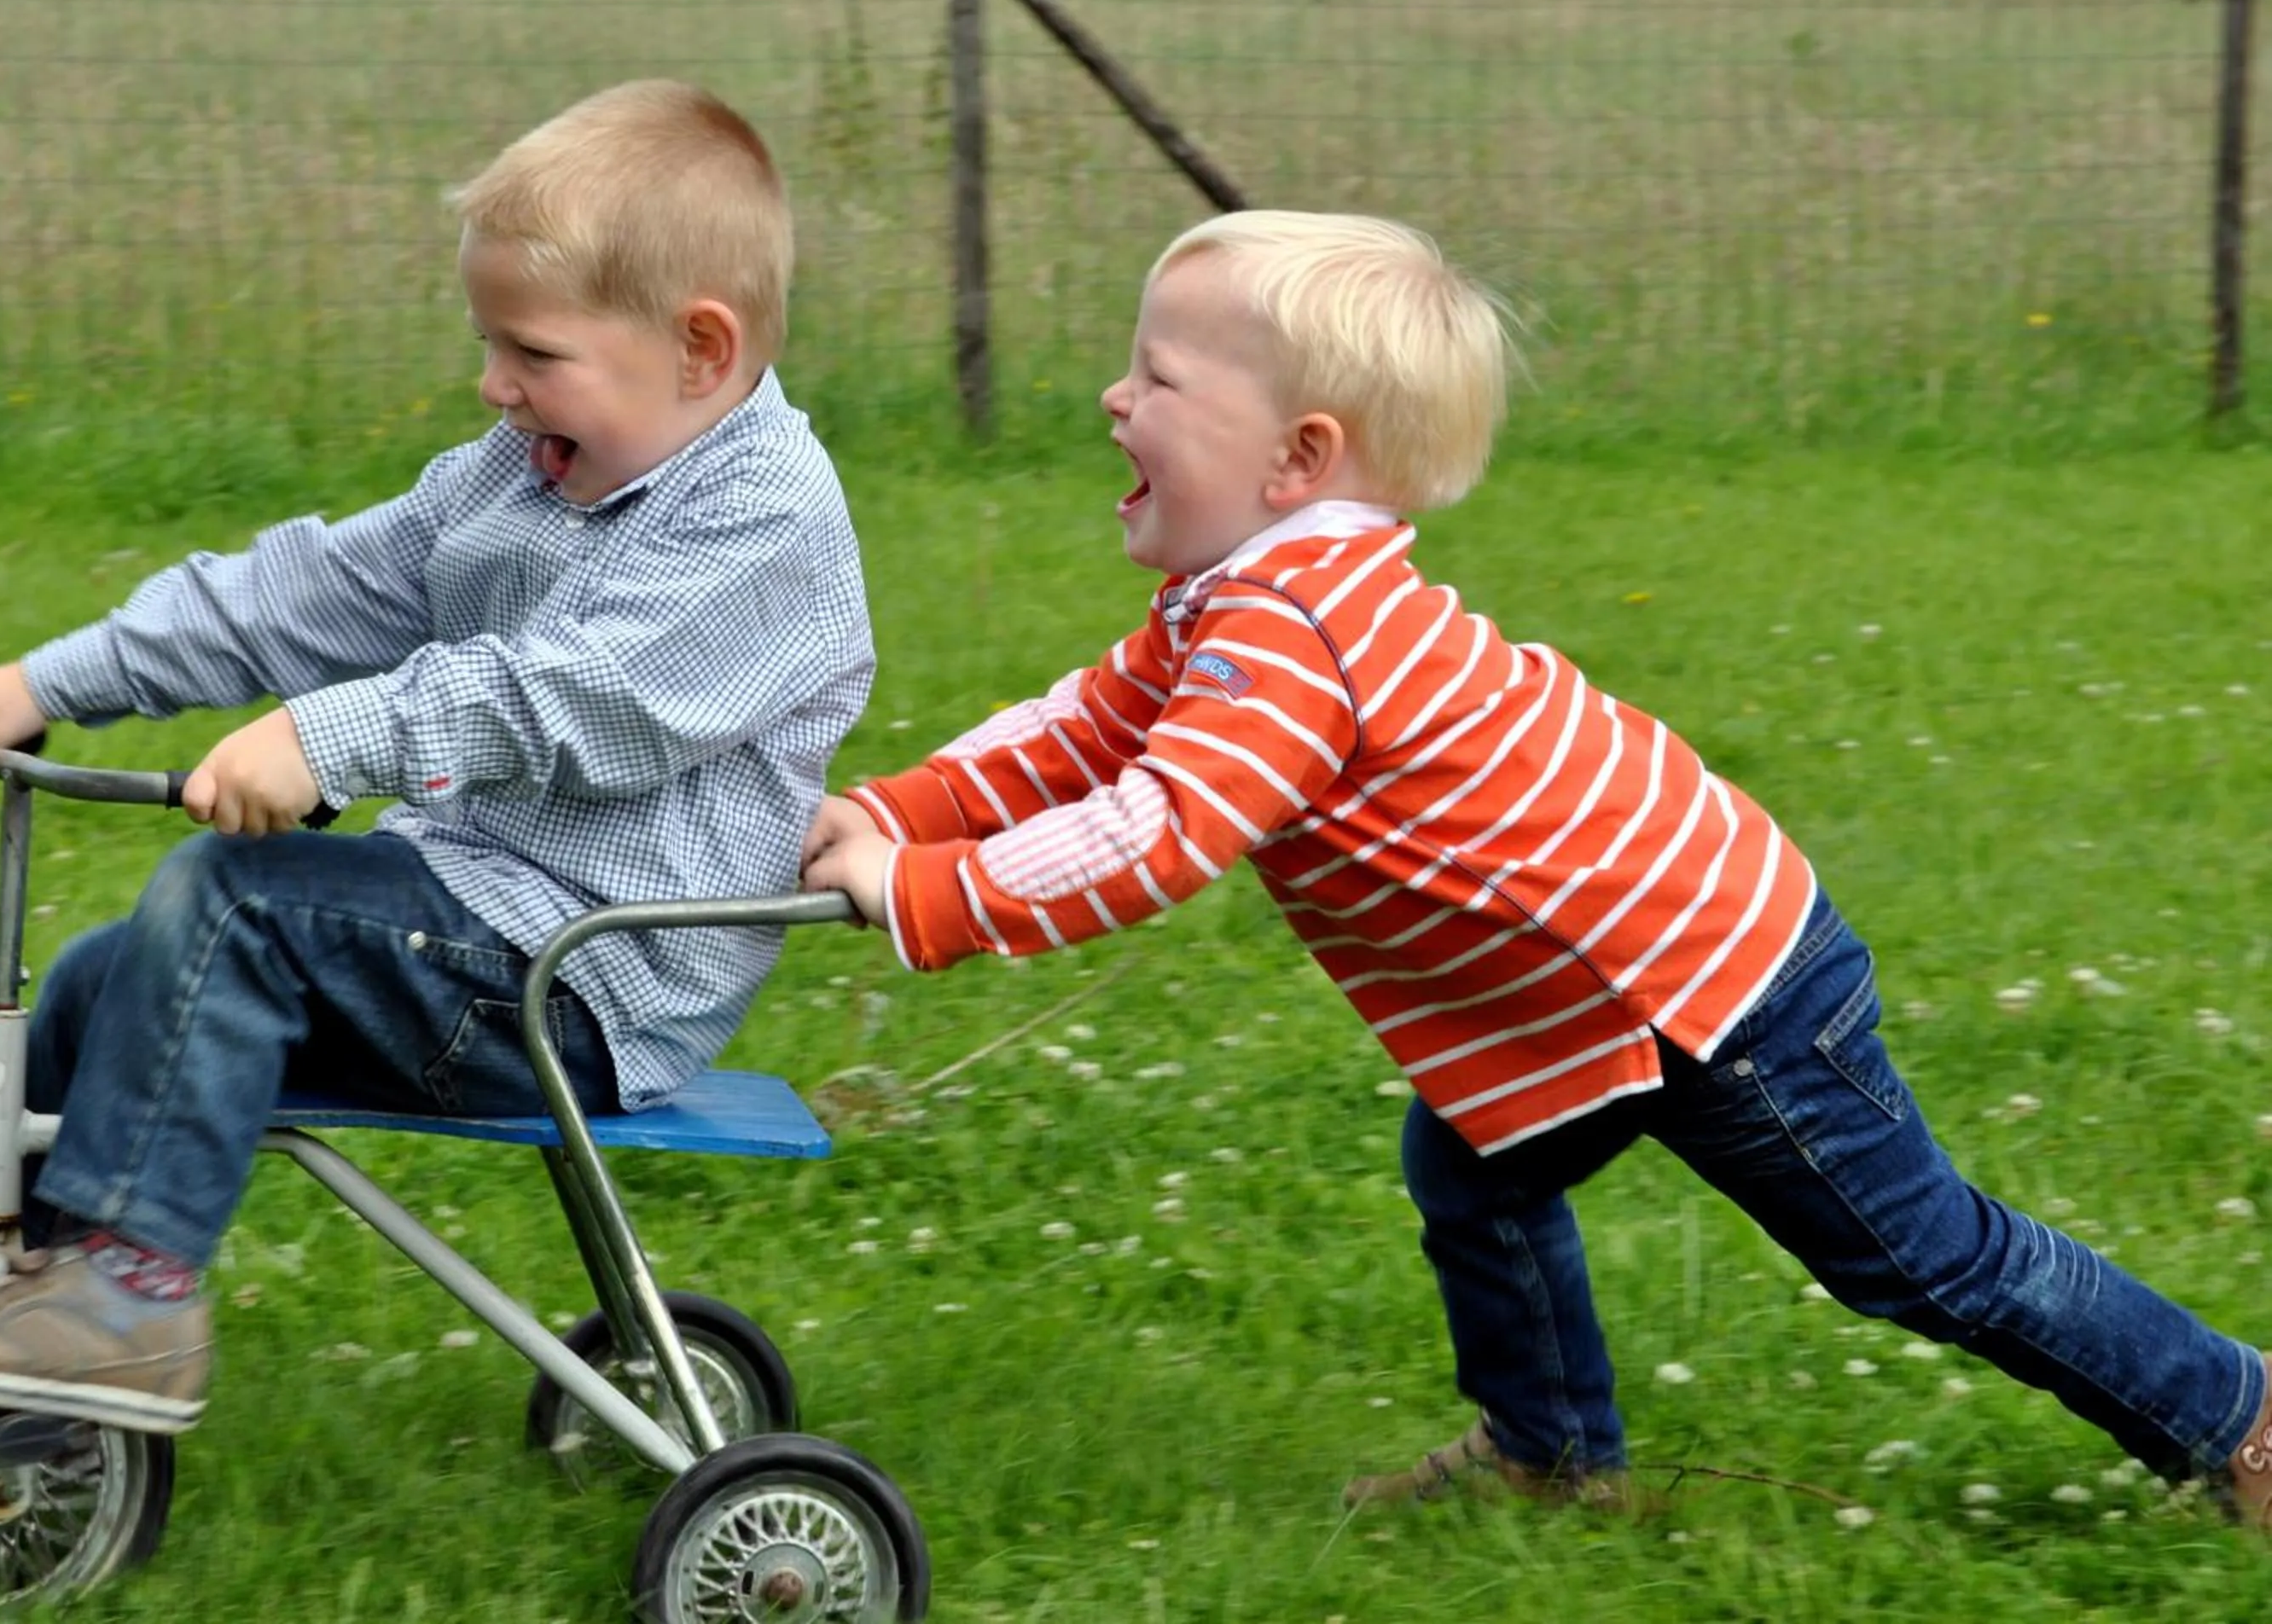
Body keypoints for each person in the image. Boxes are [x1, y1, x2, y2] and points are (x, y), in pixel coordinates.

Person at [799, 208, 2272, 1528]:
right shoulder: (1242, 600)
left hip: (1713, 988)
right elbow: (1082, 730)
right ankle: (1551, 1455)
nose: (1115, 399)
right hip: (1601, 995)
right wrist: (901, 806)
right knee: (1474, 1166)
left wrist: (923, 889)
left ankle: (2241, 1416)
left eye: (1159, 377)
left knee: (1923, 1257)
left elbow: (1160, 824)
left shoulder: (1294, 630)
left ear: (1297, 457)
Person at [0, 78, 875, 1437]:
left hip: (579, 977)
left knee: (233, 904)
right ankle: (15, 1315)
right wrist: (54, 678)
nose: (495, 385)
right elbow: (305, 594)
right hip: (466, 930)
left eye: (534, 352)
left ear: (700, 349)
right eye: (489, 344)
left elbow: (566, 698)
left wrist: (329, 733)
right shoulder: (519, 473)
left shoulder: (766, 526)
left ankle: (129, 1300)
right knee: (104, 980)